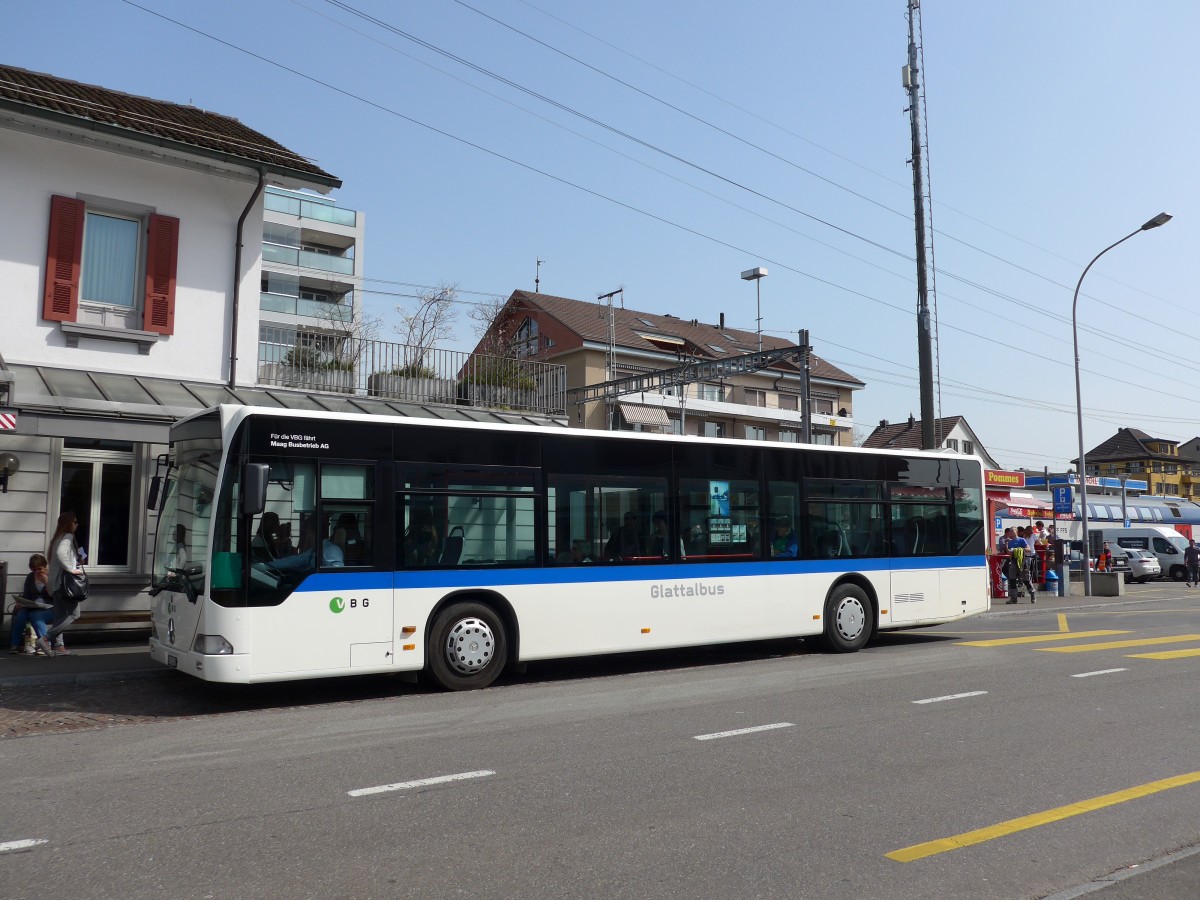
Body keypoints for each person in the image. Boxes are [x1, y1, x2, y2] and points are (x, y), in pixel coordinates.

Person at [36, 511, 86, 657]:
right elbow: (60, 554)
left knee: (59, 617)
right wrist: (71, 569)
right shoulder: (68, 537)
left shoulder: (57, 538)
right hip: (65, 585)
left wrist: (77, 561)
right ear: (68, 523)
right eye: (75, 522)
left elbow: (58, 557)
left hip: (55, 584)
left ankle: (59, 647)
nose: (77, 525)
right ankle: (46, 638)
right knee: (74, 614)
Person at [9, 553, 62, 656]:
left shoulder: (51, 577)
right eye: (34, 570)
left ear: (45, 565)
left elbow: (56, 597)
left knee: (36, 616)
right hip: (33, 606)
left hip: (50, 607)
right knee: (21, 615)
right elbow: (27, 595)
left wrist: (46, 582)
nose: (37, 572)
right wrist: (21, 602)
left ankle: (45, 645)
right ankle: (14, 645)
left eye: (39, 569)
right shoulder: (30, 577)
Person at [1005, 528, 1035, 603]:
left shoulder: (1021, 540)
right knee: (1012, 579)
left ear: (1016, 532)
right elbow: (1009, 553)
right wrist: (1006, 545)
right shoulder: (1010, 542)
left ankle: (1032, 594)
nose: (1011, 532)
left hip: (1022, 561)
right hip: (1014, 561)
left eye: (1012, 531)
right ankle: (1013, 598)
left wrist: (1018, 549)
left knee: (1025, 579)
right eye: (1010, 531)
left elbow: (1029, 549)